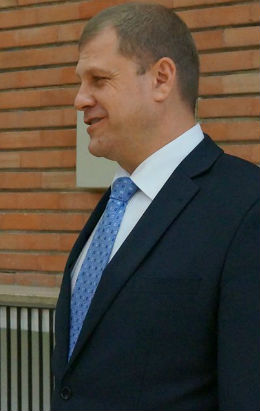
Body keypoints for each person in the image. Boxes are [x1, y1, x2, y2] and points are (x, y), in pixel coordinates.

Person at [52, 3, 260, 410]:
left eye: (98, 79)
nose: (79, 100)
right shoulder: (116, 202)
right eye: (80, 82)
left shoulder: (246, 207)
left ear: (161, 79)